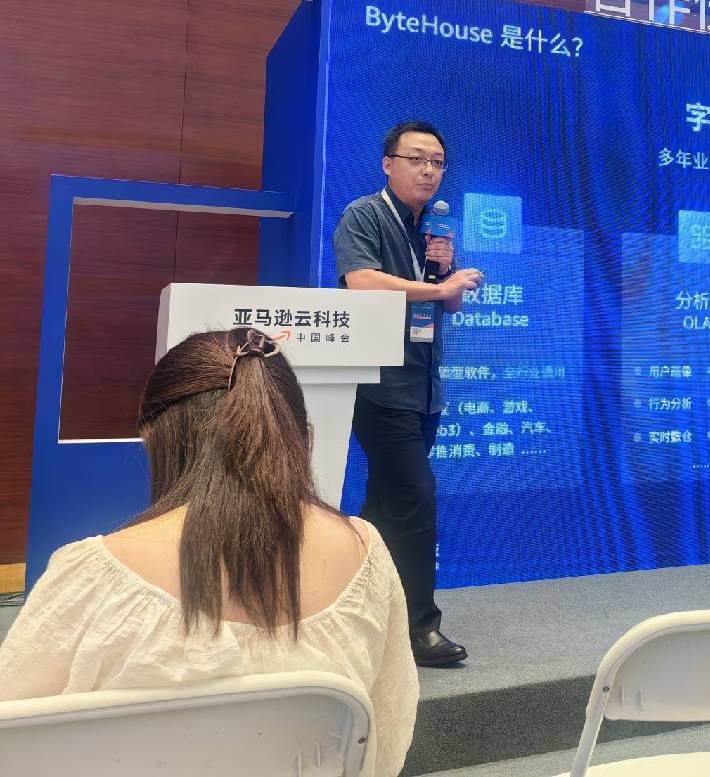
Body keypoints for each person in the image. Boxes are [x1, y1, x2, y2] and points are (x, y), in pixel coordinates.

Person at [0, 329, 417, 777]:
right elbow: (385, 740)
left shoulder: (94, 576)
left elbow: (15, 742)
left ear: (154, 442)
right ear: (303, 438)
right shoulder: (364, 551)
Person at [333, 120, 481, 667]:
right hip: (379, 385)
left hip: (423, 387)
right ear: (388, 163)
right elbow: (361, 282)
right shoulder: (364, 216)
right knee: (416, 499)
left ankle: (366, 614)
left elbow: (445, 308)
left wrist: (449, 280)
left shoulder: (431, 228)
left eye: (438, 162)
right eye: (417, 158)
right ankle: (423, 629)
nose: (428, 170)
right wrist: (436, 287)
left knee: (385, 508)